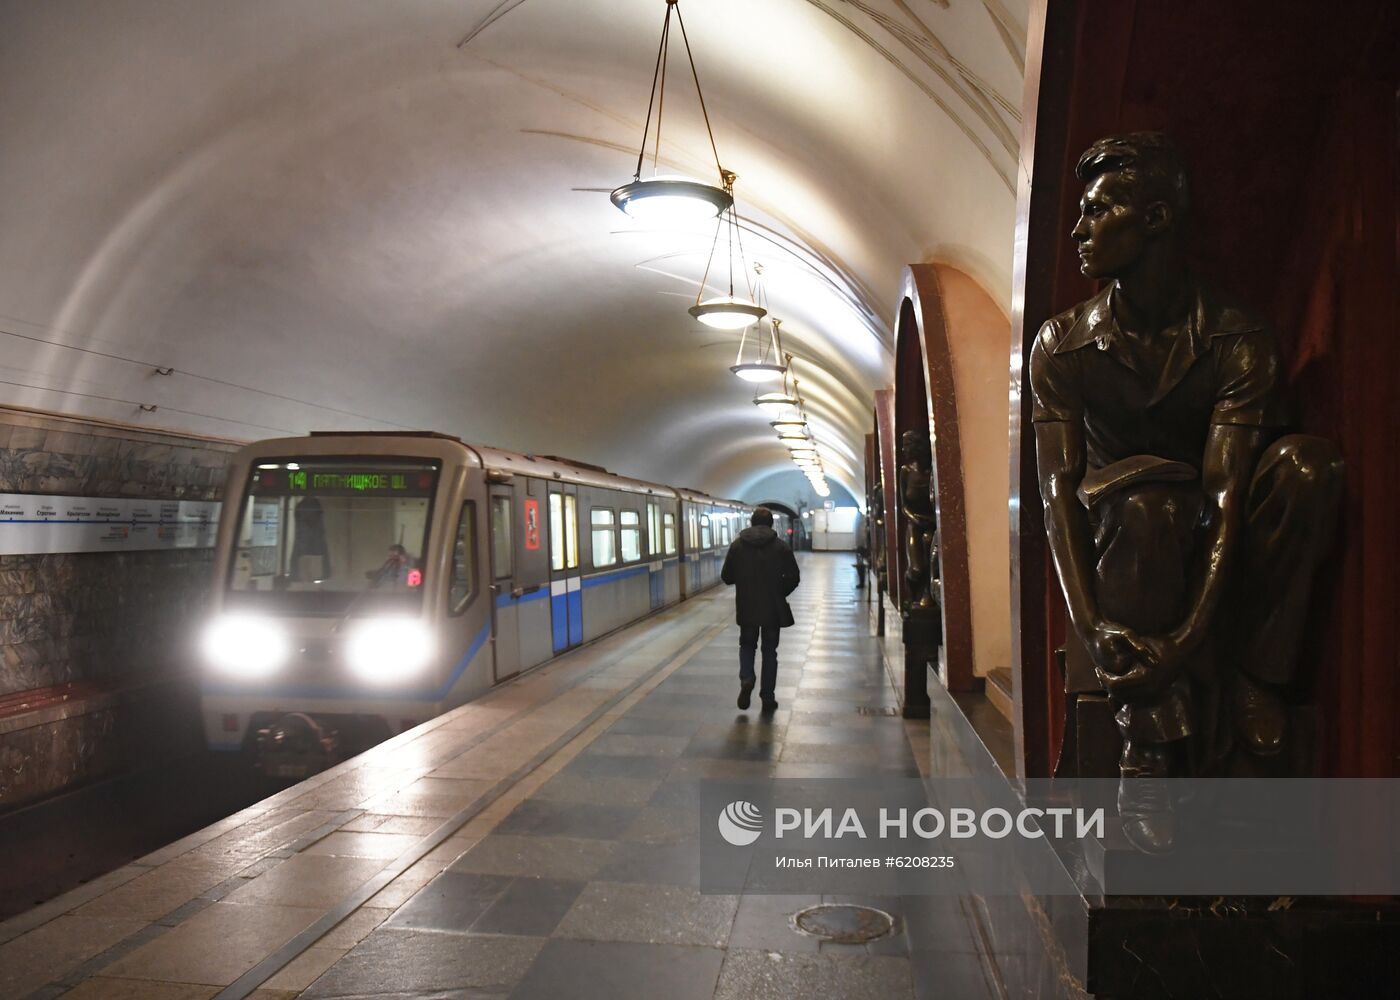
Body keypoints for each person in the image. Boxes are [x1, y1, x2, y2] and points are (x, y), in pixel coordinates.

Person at [1029, 132, 1342, 852]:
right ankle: (1146, 743)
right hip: (1124, 538)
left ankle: (1258, 675)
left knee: (1306, 468)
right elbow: (1056, 492)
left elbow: (1228, 496)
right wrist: (1090, 626)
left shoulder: (1238, 339)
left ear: (1157, 220)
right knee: (1145, 501)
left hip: (1209, 535)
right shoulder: (1063, 345)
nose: (1079, 231)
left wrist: (1188, 639)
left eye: (1098, 211)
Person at [721, 507, 801, 714]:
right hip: (773, 609)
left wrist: (744, 580)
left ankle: (747, 678)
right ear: (771, 524)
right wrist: (779, 591)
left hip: (747, 607)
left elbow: (727, 577)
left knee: (747, 645)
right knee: (769, 652)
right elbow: (794, 577)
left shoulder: (738, 546)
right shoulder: (781, 547)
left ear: (751, 522)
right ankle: (767, 697)